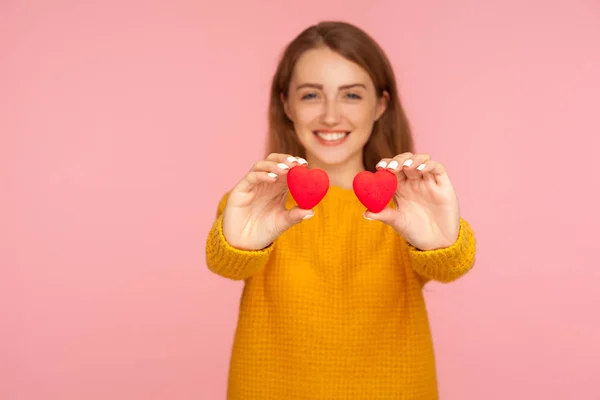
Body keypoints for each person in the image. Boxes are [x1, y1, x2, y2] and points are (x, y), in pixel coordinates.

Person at [205, 20, 476, 400]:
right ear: (287, 104)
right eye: (311, 95)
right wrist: (237, 243)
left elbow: (450, 267)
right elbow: (226, 263)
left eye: (351, 96)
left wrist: (443, 242)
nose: (331, 116)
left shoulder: (406, 204)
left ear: (381, 104)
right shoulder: (257, 202)